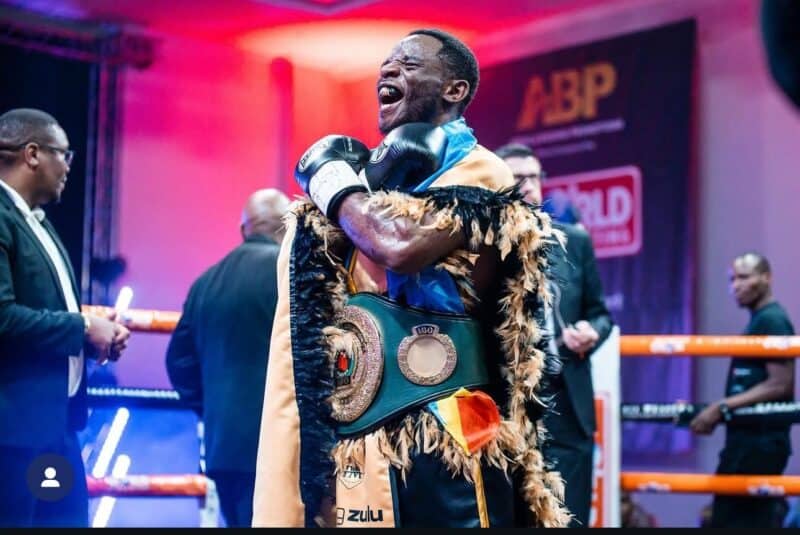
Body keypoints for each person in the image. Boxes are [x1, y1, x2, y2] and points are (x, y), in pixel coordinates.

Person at [252, 29, 570, 527]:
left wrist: (334, 184)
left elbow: (398, 246)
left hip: (449, 428)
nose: (387, 71)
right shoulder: (377, 186)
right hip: (364, 429)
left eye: (407, 64)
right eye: (385, 64)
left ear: (454, 89)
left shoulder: (479, 168)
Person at [0, 108, 130, 527]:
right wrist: (85, 327)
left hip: (56, 426)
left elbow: (46, 314)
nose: (69, 167)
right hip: (13, 434)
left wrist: (93, 338)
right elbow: (2, 317)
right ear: (33, 154)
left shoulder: (36, 222)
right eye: (64, 154)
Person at [495, 143, 612, 528]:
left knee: (571, 515)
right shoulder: (485, 248)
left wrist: (590, 331)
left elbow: (600, 313)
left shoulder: (573, 241)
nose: (528, 185)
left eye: (533, 176)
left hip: (567, 399)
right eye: (516, 178)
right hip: (509, 404)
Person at [165, 188, 289, 527]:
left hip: (226, 448)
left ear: (243, 230)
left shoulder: (205, 282)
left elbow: (178, 362)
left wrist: (215, 409)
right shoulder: (290, 275)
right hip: (281, 450)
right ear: (289, 228)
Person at [689, 252, 795, 528]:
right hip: (748, 440)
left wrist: (721, 407)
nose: (735, 285)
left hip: (760, 442)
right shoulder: (759, 320)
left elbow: (780, 383)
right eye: (732, 279)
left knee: (734, 521)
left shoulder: (773, 320)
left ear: (766, 278)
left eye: (744, 277)